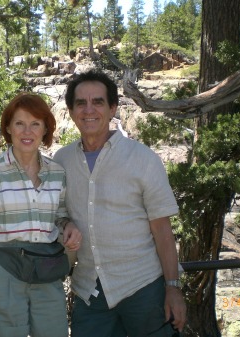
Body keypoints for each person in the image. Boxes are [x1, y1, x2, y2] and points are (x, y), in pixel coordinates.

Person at [53, 69, 187, 337]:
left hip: (144, 288)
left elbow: (162, 229)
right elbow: (59, 212)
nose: (89, 110)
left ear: (113, 108)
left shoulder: (144, 159)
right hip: (89, 292)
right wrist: (66, 223)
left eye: (98, 102)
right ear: (70, 110)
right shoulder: (61, 161)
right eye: (81, 103)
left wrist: (172, 288)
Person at [0, 93, 82, 337]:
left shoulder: (57, 173)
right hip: (3, 273)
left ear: (45, 128)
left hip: (47, 272)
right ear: (8, 127)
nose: (27, 131)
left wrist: (68, 225)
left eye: (35, 123)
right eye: (19, 123)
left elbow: (59, 216)